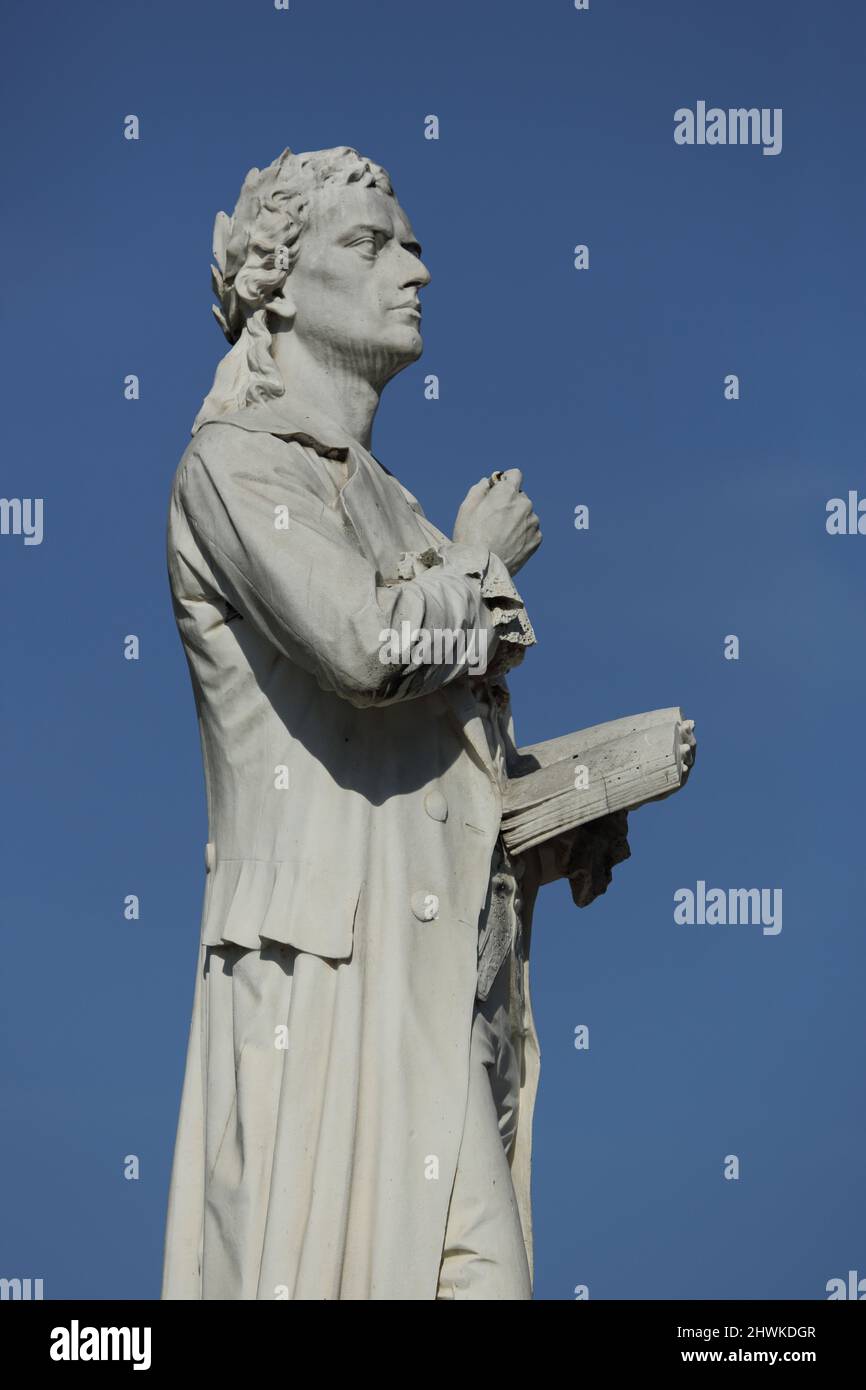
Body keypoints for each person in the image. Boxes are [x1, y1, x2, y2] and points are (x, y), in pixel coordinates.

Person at [161, 146, 627, 1301]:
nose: (412, 267)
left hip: (431, 992)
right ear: (276, 281)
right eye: (369, 244)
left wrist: (552, 816)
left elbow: (426, 767)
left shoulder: (392, 505)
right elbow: (367, 649)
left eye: (410, 243)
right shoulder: (236, 465)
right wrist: (478, 570)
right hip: (328, 986)